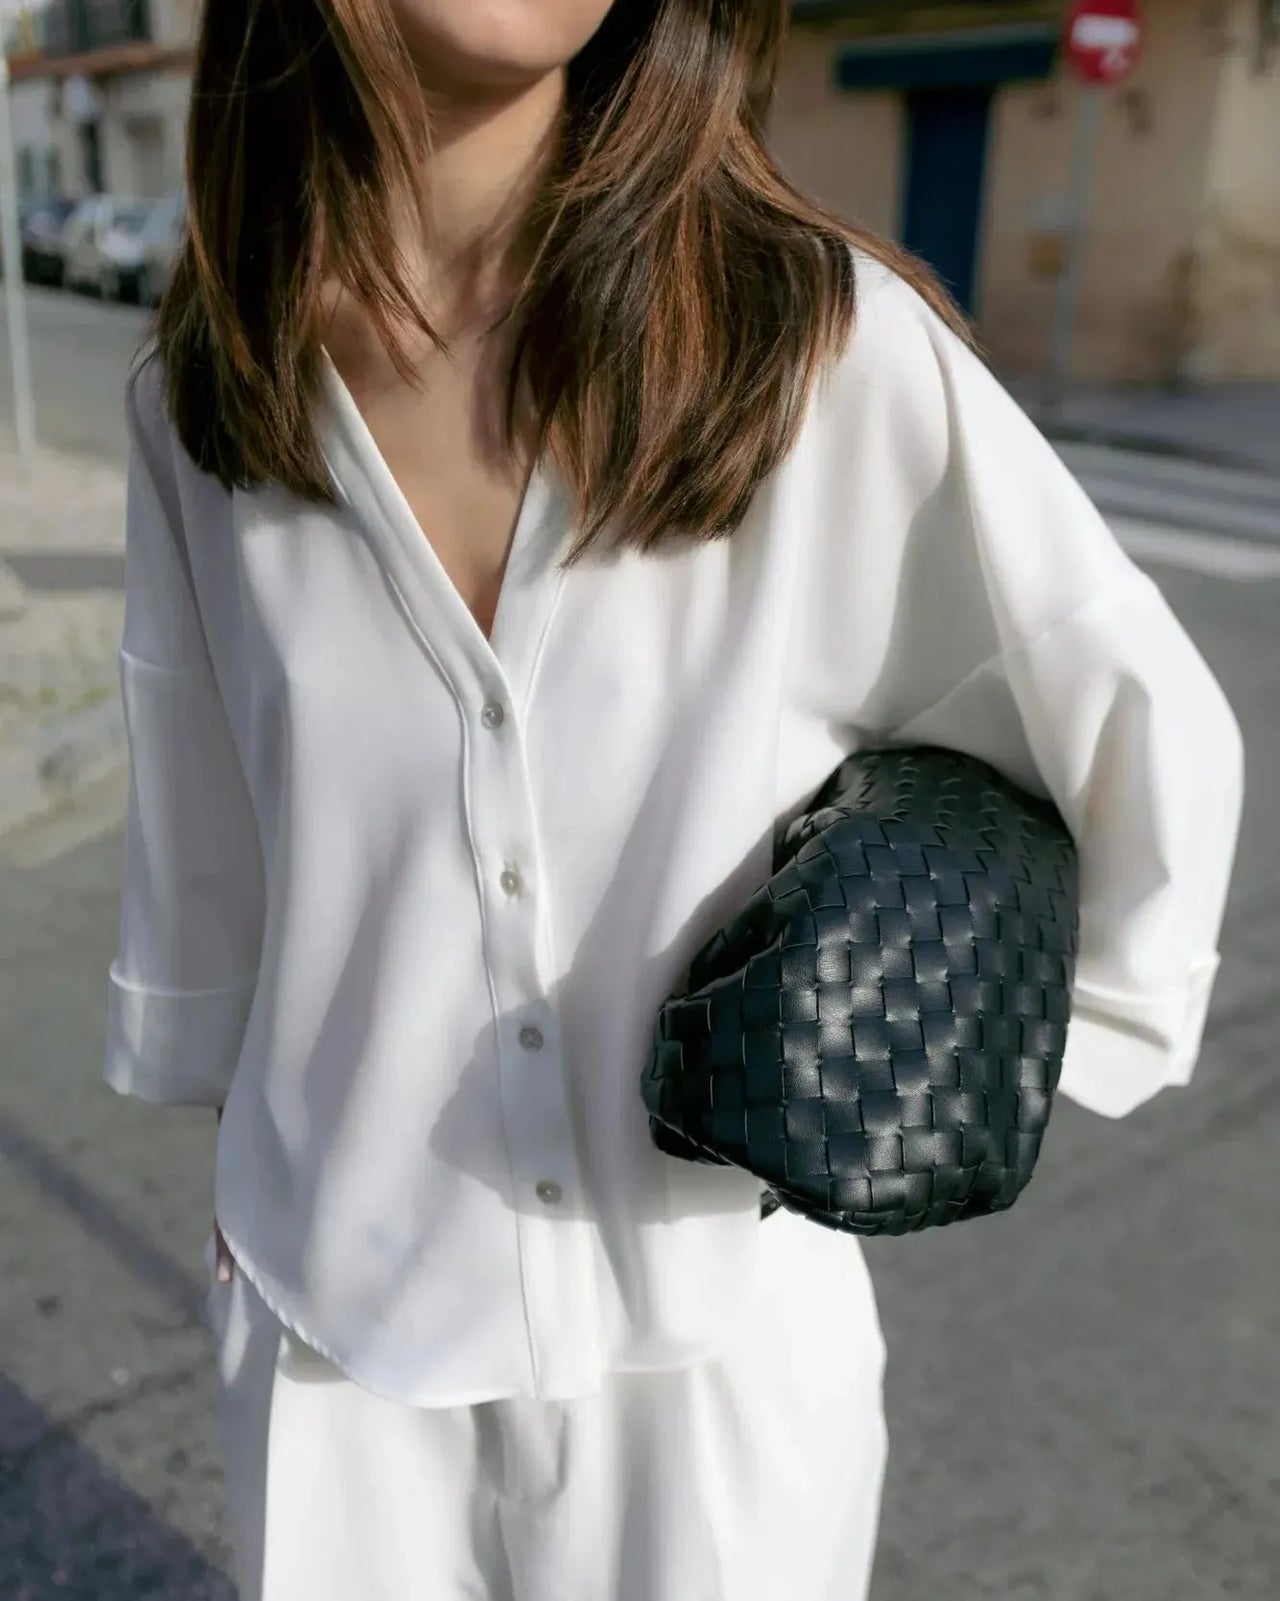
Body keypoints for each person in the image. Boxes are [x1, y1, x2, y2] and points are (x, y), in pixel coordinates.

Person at [101, 2, 1244, 1599]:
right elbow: (209, 832)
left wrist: (1010, 1036)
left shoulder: (811, 344)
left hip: (719, 1338)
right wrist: (241, 1143)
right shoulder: (206, 398)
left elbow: (1121, 712)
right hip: (329, 1340)